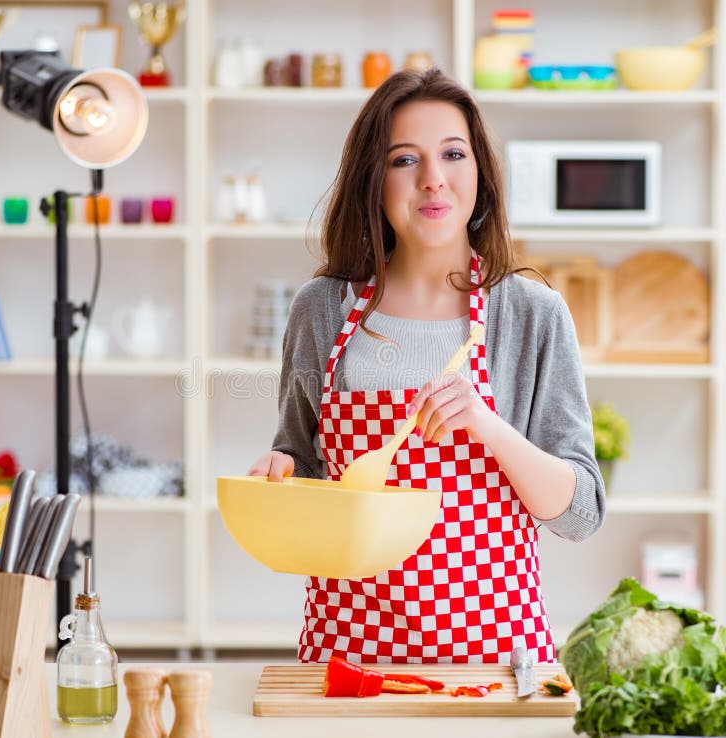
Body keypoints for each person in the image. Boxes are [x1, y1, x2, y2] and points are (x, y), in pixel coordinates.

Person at [248, 68, 605, 665]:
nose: (433, 180)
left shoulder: (532, 313)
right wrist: (282, 471)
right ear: (375, 180)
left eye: (453, 154)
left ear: (480, 176)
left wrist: (488, 426)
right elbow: (305, 463)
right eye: (404, 160)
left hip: (494, 657)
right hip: (349, 651)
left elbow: (581, 513)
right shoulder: (322, 309)